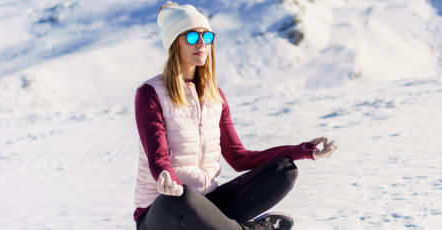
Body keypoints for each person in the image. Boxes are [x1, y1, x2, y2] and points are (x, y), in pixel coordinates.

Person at [132, 2, 338, 230]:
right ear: (174, 43)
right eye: (191, 37)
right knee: (181, 197)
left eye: (206, 37)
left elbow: (239, 157)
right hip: (163, 211)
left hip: (208, 204)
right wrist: (166, 178)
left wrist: (304, 151)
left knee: (283, 170)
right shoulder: (150, 93)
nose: (201, 43)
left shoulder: (215, 96)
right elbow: (157, 156)